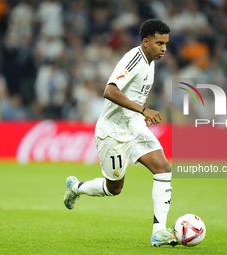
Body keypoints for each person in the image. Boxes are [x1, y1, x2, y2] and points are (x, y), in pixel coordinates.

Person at [63, 19, 176, 247]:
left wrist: (140, 114)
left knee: (163, 168)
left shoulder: (151, 62)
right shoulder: (133, 59)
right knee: (114, 188)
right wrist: (143, 109)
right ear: (145, 42)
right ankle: (75, 188)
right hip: (112, 132)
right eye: (159, 43)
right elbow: (109, 91)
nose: (164, 48)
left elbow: (133, 95)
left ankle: (159, 232)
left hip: (134, 127)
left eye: (166, 43)